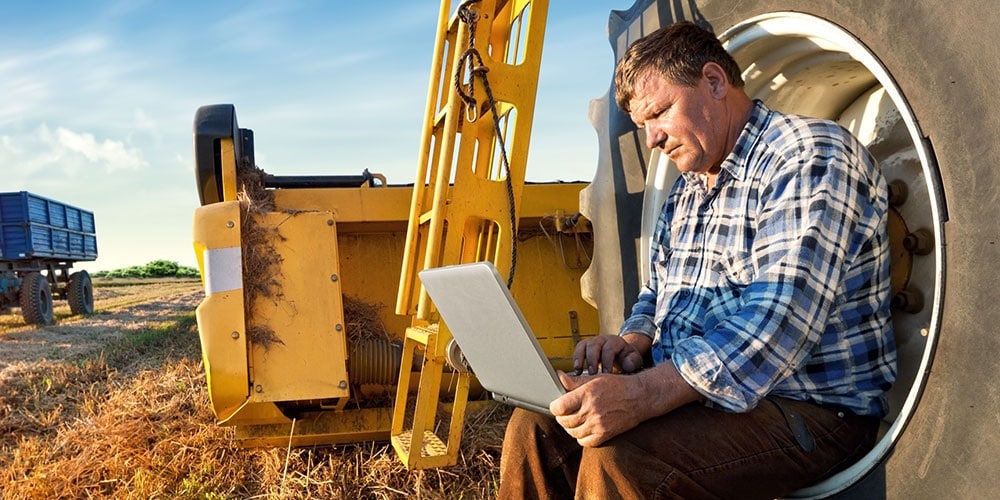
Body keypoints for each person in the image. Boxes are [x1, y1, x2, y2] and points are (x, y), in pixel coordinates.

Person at [498, 21, 897, 499]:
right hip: (706, 399)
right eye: (643, 124)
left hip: (807, 409)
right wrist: (632, 341)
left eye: (660, 112)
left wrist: (643, 394)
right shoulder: (687, 192)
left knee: (620, 456)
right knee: (536, 426)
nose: (652, 139)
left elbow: (778, 322)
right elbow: (658, 291)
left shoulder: (808, 157)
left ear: (713, 82)